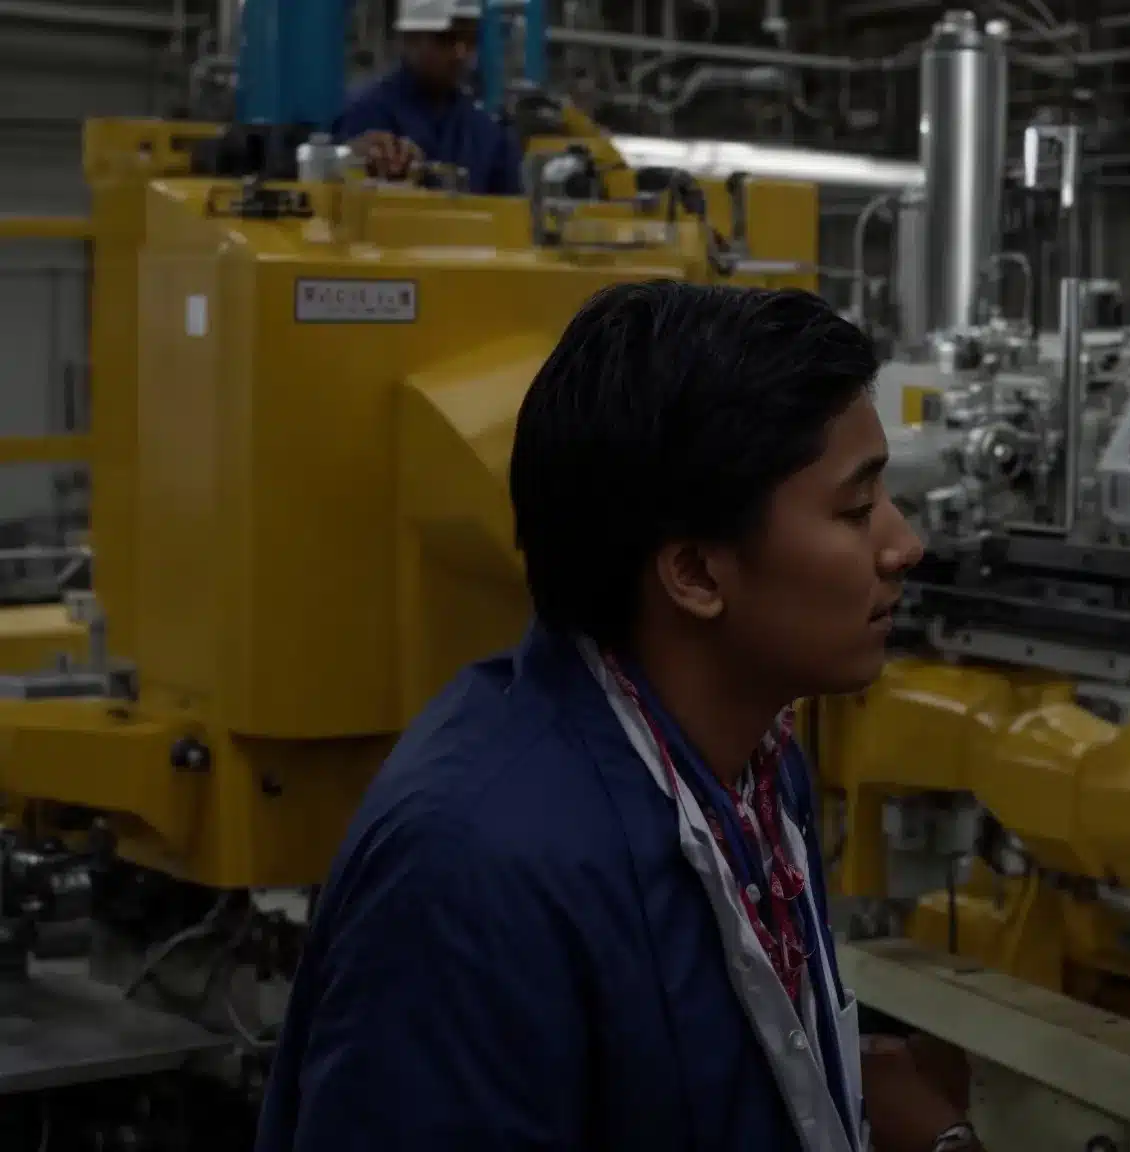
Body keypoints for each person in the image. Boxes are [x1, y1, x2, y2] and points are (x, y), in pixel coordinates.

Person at [254, 281, 983, 1152]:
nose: (904, 545)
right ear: (697, 576)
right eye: (856, 509)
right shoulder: (477, 871)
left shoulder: (756, 765)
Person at [330, 0, 523, 195]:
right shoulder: (366, 115)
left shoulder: (486, 133)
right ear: (409, 39)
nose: (460, 54)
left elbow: (512, 212)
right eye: (446, 39)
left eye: (470, 41)